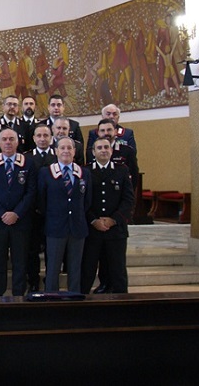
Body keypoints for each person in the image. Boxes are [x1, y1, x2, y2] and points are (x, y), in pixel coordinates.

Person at [0, 128, 37, 296]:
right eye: (4, 139)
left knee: (20, 262)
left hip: (21, 221)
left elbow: (31, 192)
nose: (7, 142)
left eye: (11, 139)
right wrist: (2, 213)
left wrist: (16, 213)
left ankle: (18, 298)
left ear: (17, 141)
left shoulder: (28, 163)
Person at [38, 136, 92, 293]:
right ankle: (51, 301)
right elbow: (41, 201)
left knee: (75, 268)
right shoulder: (46, 172)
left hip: (77, 227)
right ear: (56, 151)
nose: (66, 151)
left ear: (75, 151)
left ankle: (73, 300)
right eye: (62, 148)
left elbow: (87, 201)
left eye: (69, 148)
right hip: (55, 228)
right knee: (53, 268)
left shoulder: (84, 173)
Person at [81, 137, 134, 294]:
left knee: (117, 270)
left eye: (106, 147)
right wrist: (93, 220)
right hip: (92, 230)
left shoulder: (122, 170)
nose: (103, 150)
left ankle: (122, 305)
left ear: (111, 150)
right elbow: (82, 200)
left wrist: (113, 219)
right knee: (88, 269)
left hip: (116, 230)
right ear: (93, 152)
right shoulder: (85, 171)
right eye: (99, 148)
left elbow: (128, 199)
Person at [26, 124, 56, 292]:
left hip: (53, 212)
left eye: (46, 135)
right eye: (39, 135)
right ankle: (33, 279)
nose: (43, 139)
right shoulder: (27, 158)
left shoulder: (58, 155)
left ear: (51, 138)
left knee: (52, 249)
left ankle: (50, 279)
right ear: (34, 138)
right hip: (32, 212)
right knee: (32, 250)